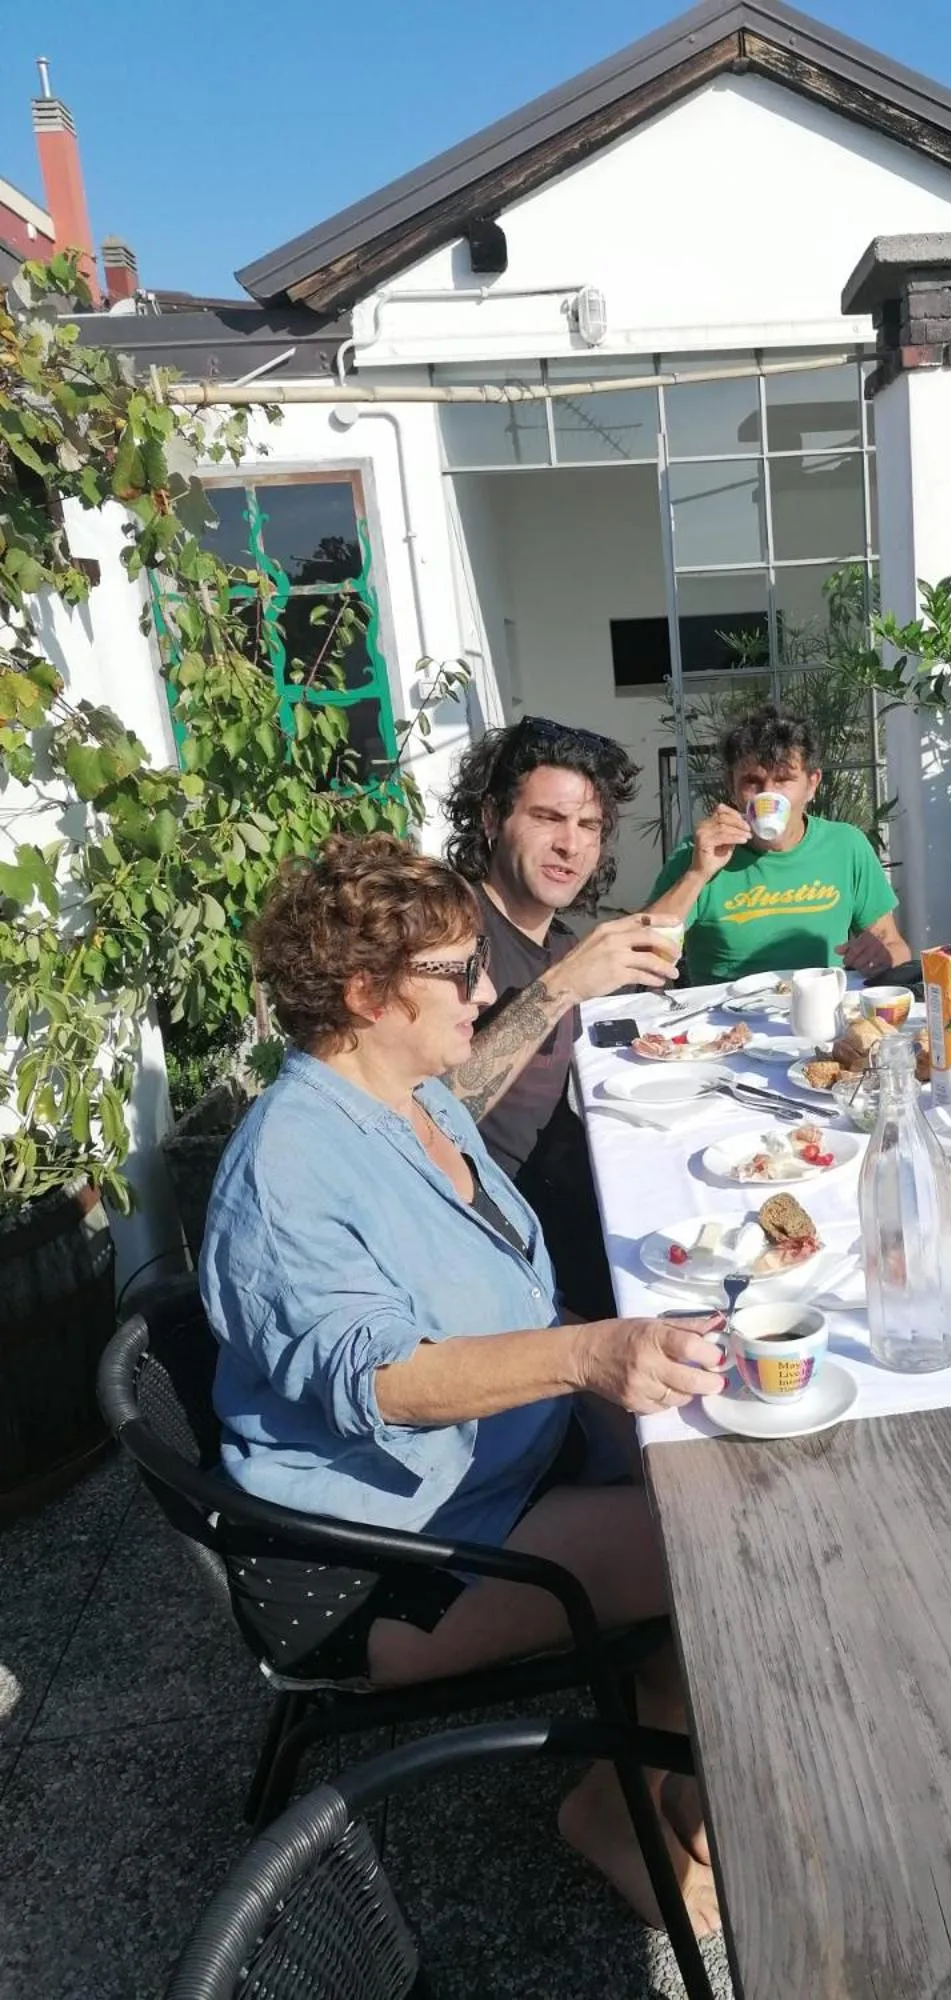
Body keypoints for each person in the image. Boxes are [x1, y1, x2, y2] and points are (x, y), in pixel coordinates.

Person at [198, 834, 724, 1934]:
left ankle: (669, 1762)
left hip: (486, 1467)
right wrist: (588, 1357)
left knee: (730, 1454)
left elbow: (508, 1296)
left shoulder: (419, 1102)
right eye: (457, 971)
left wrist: (631, 1343)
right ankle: (609, 1802)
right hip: (374, 1557)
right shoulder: (287, 1163)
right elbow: (380, 1378)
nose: (487, 989)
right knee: (713, 1545)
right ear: (363, 993)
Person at [442, 715, 681, 1320]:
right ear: (493, 818)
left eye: (589, 825)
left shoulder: (554, 941)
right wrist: (565, 986)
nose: (571, 844)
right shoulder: (451, 930)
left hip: (567, 1190)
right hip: (491, 1241)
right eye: (548, 818)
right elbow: (431, 1116)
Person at [647, 703, 910, 986]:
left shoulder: (846, 845)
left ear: (812, 784)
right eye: (752, 781)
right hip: (726, 1022)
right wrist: (697, 874)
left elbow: (896, 948)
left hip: (822, 1018)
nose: (768, 794)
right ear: (730, 785)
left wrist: (883, 956)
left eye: (783, 780)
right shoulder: (699, 853)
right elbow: (646, 953)